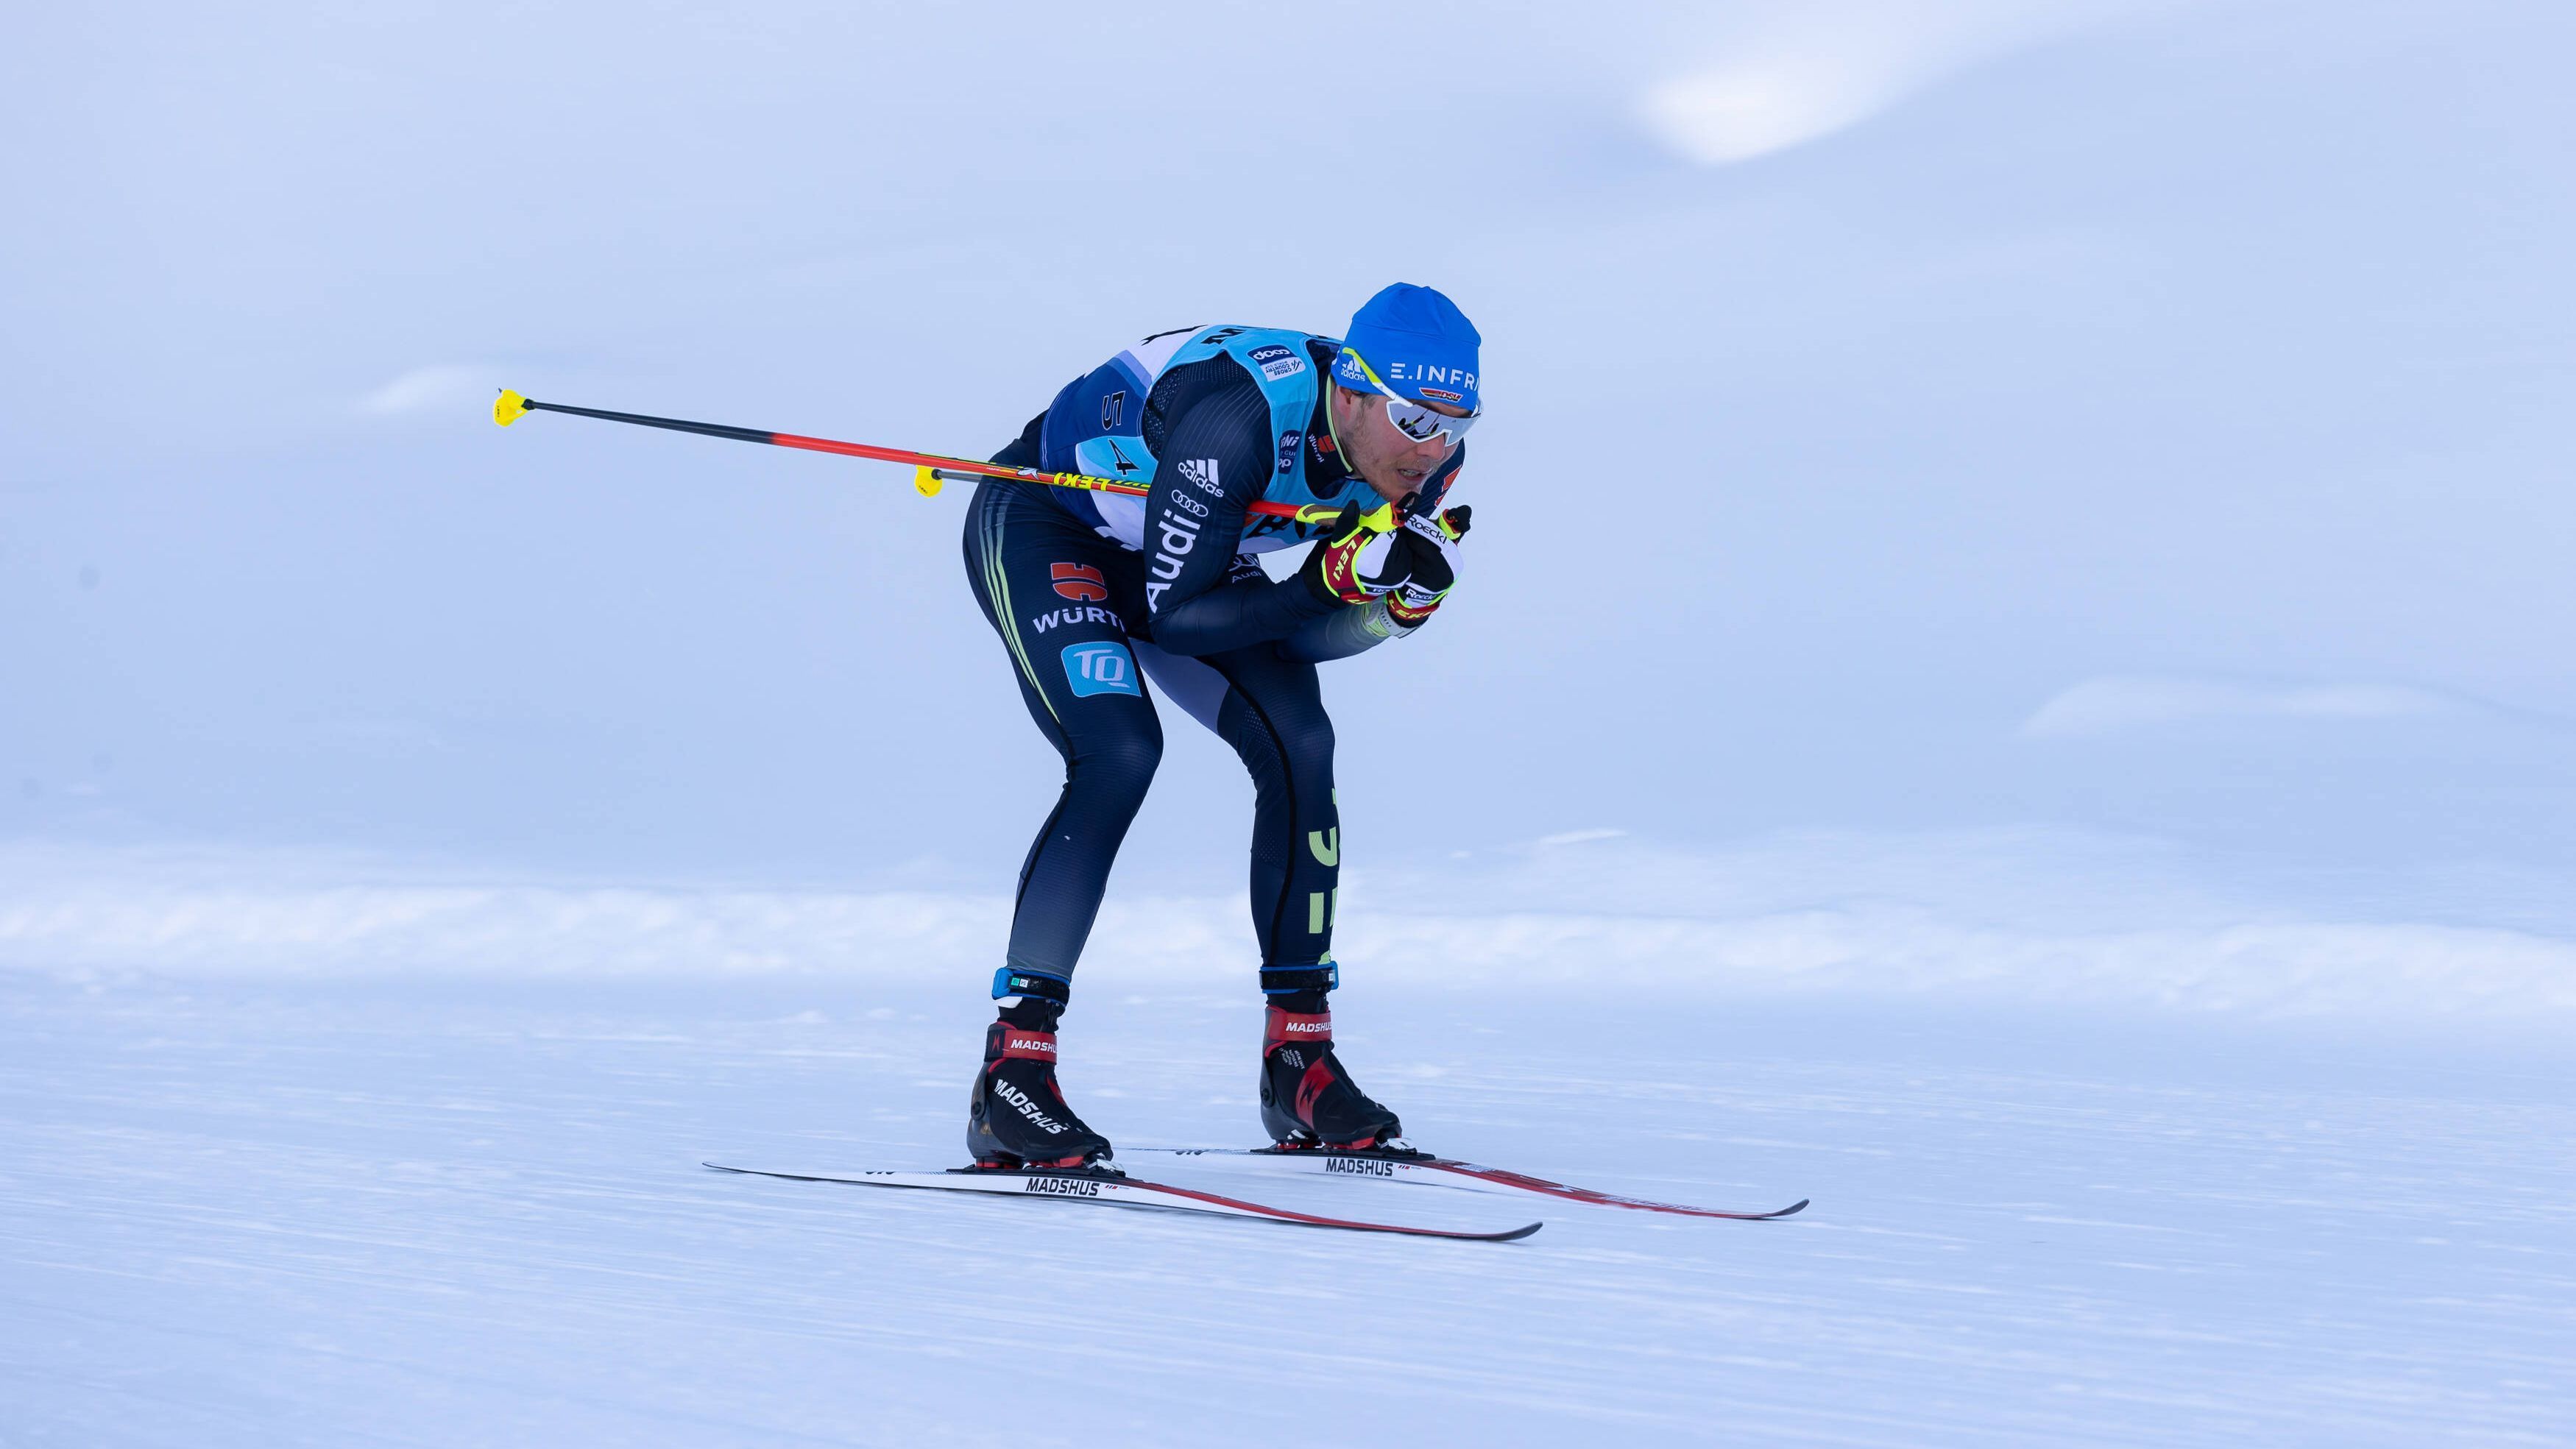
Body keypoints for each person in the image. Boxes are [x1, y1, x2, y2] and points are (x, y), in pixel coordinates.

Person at [958, 283, 1482, 1170]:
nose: (1431, 449)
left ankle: (1299, 1061)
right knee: (1118, 750)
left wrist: (1392, 610)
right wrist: (1325, 583)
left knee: (1301, 745)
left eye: (1454, 425)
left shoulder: (1420, 460)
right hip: (1052, 527)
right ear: (1349, 391)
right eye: (1412, 418)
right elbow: (1178, 617)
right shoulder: (1238, 421)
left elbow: (1308, 636)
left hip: (1193, 559)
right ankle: (1014, 1072)